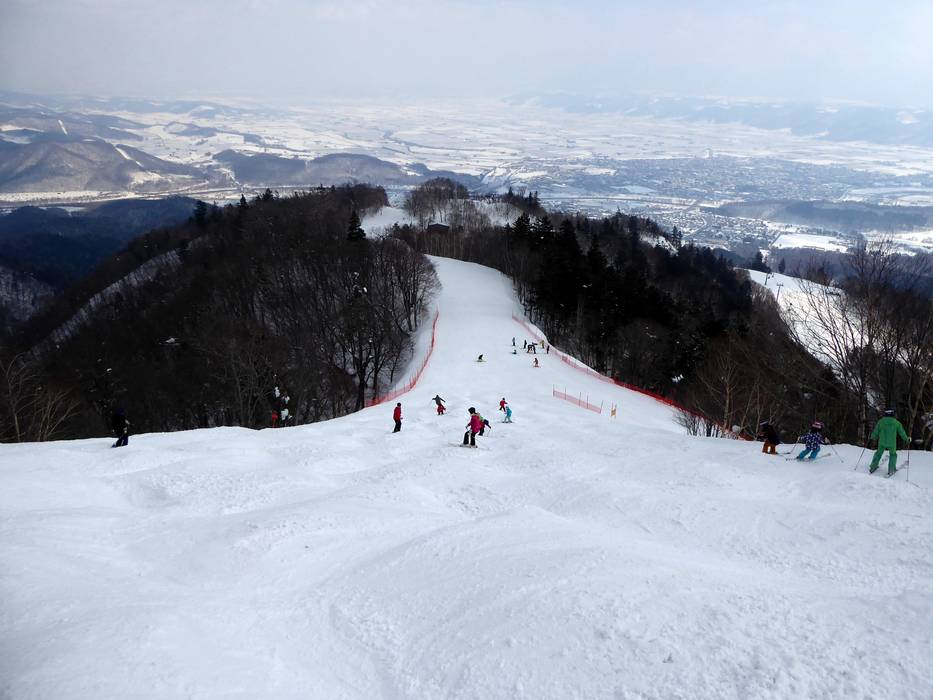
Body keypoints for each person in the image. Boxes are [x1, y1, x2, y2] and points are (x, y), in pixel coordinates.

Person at [868, 409, 909, 475]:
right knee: (893, 455)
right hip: (892, 443)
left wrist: (873, 437)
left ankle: (873, 467)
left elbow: (876, 431)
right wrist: (907, 439)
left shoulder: (881, 422)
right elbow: (902, 433)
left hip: (882, 442)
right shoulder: (896, 423)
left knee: (878, 454)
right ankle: (891, 470)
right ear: (893, 414)